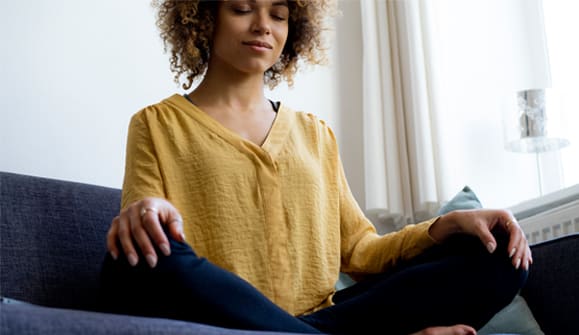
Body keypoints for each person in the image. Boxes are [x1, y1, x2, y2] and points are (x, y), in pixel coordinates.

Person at [99, 1, 532, 334]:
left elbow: (360, 252)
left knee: (499, 255)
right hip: (218, 320)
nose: (263, 26)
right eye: (242, 9)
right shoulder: (156, 124)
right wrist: (147, 210)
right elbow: (144, 217)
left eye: (279, 14)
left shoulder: (315, 133)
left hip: (329, 319)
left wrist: (447, 224)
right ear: (204, 17)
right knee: (139, 260)